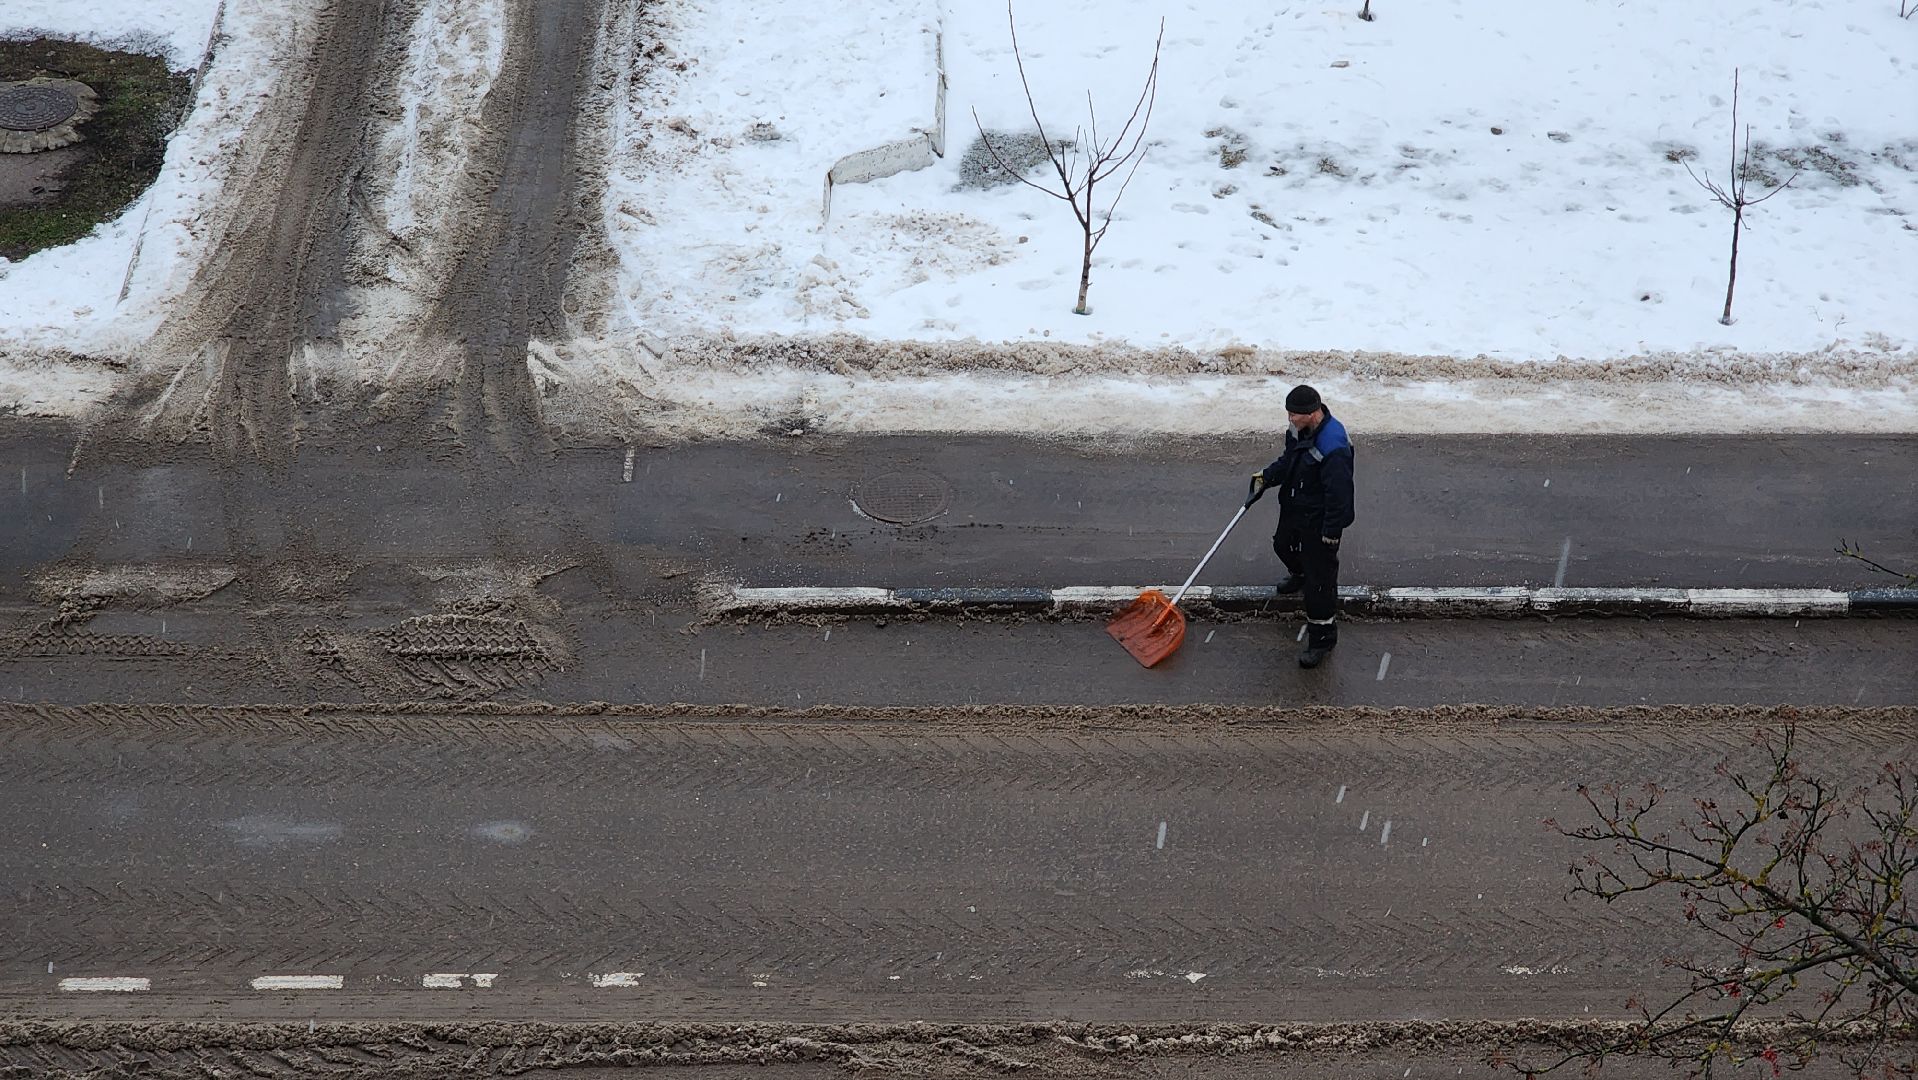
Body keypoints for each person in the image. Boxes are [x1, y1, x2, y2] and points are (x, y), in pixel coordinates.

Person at [1247, 384, 1355, 668]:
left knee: (1319, 584)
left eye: (1294, 414)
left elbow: (1340, 496)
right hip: (1296, 506)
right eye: (1289, 413)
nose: (1290, 419)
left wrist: (1331, 533)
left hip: (1319, 519)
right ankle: (1299, 572)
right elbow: (1290, 462)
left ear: (1312, 413)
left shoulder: (1334, 446)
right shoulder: (1299, 431)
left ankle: (1322, 638)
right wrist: (1266, 478)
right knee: (1282, 544)